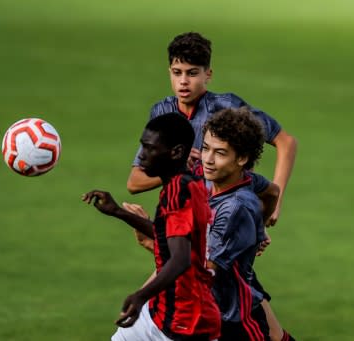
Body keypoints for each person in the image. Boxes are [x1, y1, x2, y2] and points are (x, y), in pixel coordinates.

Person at [126, 31, 298, 228]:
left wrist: (275, 204)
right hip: (185, 219)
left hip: (227, 217)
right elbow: (135, 182)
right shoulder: (161, 112)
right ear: (169, 72)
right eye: (177, 72)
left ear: (208, 74)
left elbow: (286, 142)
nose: (183, 81)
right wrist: (178, 168)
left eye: (192, 73)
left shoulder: (227, 106)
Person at [82, 113, 221, 341]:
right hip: (161, 313)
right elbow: (168, 237)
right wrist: (118, 211)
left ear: (176, 152)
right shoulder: (187, 184)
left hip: (185, 324)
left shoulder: (178, 192)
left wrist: (140, 296)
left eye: (150, 148)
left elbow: (181, 258)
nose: (142, 155)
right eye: (142, 146)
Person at [201, 107, 296, 341]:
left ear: (242, 158)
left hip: (233, 318)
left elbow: (204, 268)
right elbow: (273, 192)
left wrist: (148, 237)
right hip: (226, 303)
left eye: (220, 153)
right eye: (206, 148)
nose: (208, 160)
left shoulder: (235, 208)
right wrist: (260, 229)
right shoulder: (246, 179)